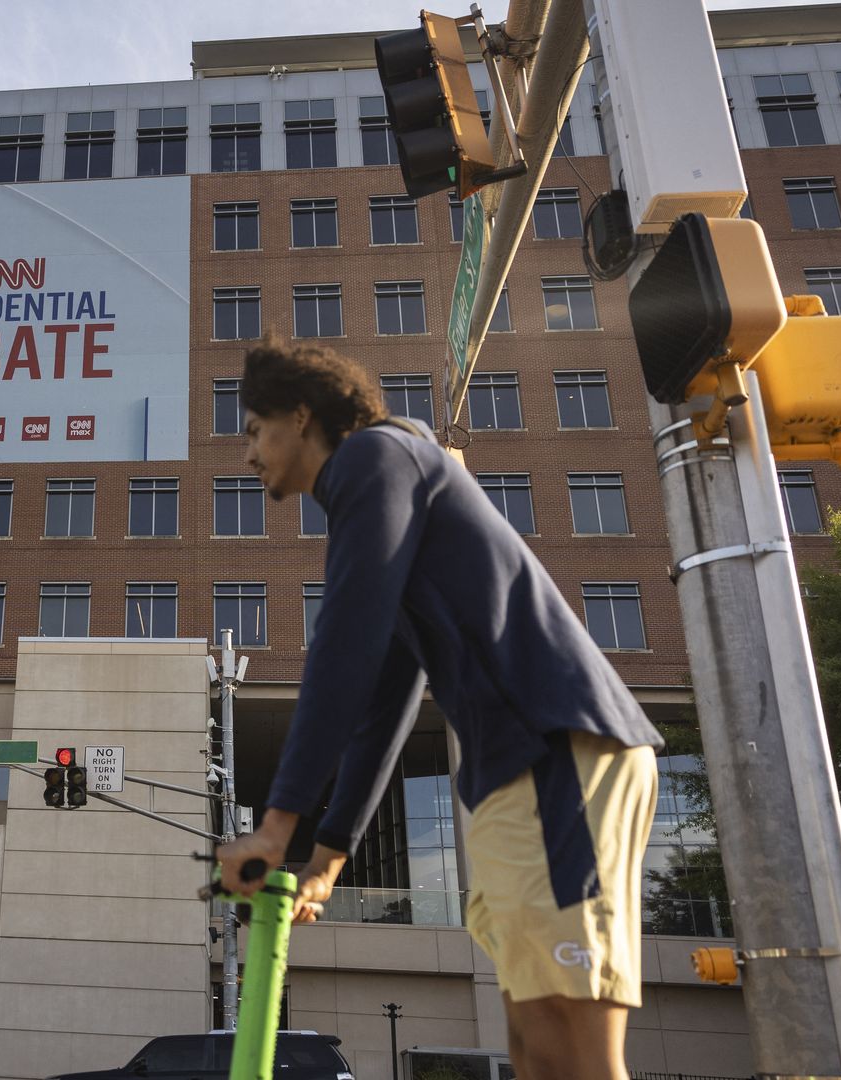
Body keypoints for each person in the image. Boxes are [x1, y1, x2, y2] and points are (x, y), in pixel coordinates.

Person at [214, 336, 664, 1080]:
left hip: (557, 752)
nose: (248, 455)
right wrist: (326, 859)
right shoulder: (389, 490)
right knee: (537, 1051)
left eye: (254, 431)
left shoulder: (374, 458)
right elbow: (386, 694)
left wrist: (273, 826)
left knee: (578, 1050)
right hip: (516, 775)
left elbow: (344, 644)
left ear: (300, 416)